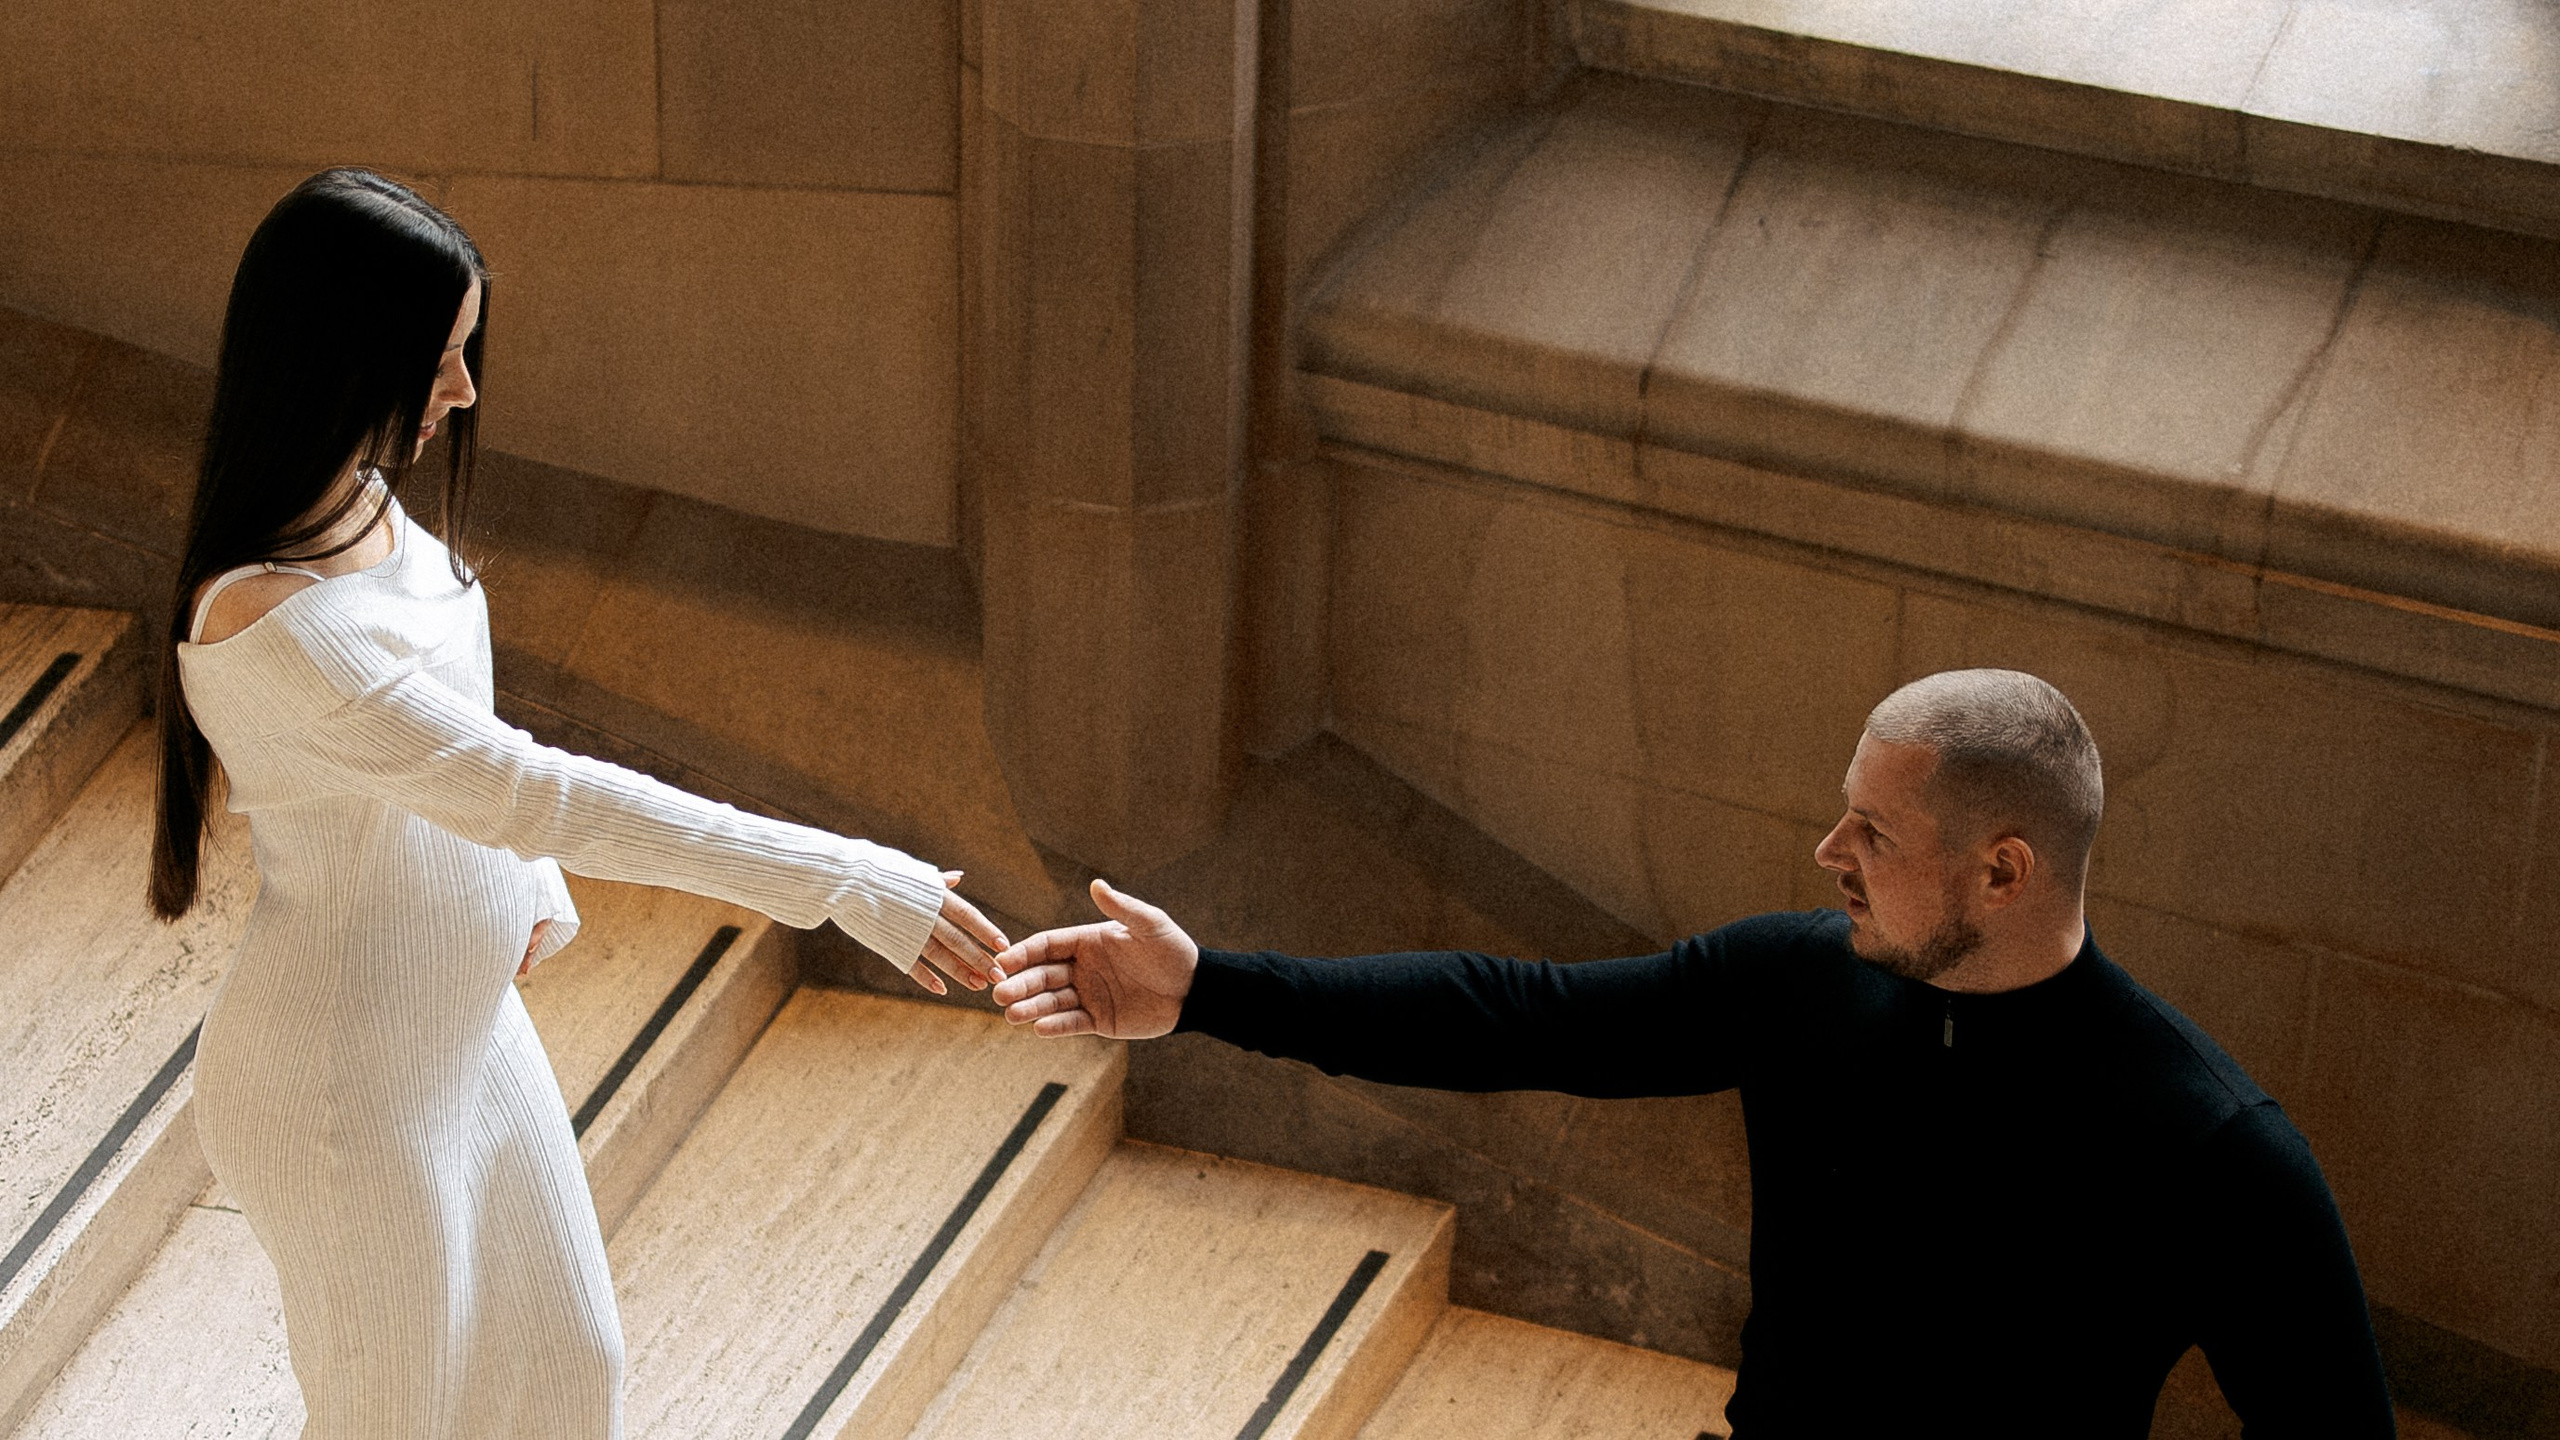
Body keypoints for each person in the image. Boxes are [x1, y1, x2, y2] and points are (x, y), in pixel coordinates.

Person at [151, 169, 1008, 1439]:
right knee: (397, 1419)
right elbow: (518, 785)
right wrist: (839, 878)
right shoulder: (281, 628)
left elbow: (459, 751)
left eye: (463, 352)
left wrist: (518, 890)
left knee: (570, 1377)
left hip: (466, 1028)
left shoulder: (359, 499)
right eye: (438, 359)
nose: (464, 391)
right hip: (344, 1087)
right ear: (343, 354)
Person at [990, 669, 2396, 1438]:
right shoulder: (1799, 984)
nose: (1829, 855)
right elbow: (1513, 1014)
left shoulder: (2217, 1150)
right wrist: (1213, 989)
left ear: (2006, 870)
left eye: (1875, 837)